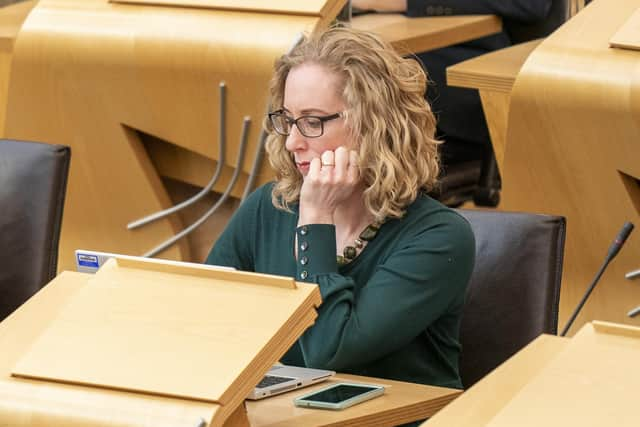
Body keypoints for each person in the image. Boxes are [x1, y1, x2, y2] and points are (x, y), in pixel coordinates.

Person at [206, 26, 475, 389]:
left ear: (374, 124)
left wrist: (315, 220)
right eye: (287, 120)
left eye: (313, 122)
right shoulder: (268, 209)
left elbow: (329, 352)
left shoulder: (439, 237)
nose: (292, 142)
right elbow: (201, 319)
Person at [351, 0, 553, 193]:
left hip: (468, 73)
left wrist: (406, 2)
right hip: (380, 46)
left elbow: (531, 4)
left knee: (362, 78)